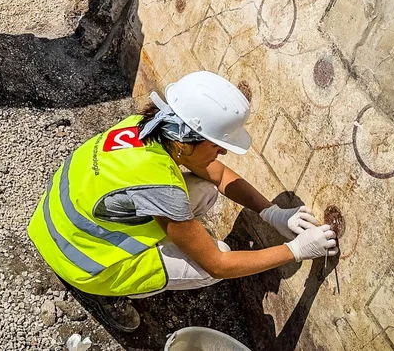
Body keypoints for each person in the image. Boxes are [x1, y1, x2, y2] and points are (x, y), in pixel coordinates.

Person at [27, 71, 337, 331]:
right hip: (84, 263)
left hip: (53, 225)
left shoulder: (148, 126)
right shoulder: (160, 184)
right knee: (216, 254)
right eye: (217, 144)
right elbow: (218, 266)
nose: (224, 152)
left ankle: (167, 244)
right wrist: (295, 250)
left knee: (206, 190)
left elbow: (218, 175)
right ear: (186, 140)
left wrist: (271, 213)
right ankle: (106, 294)